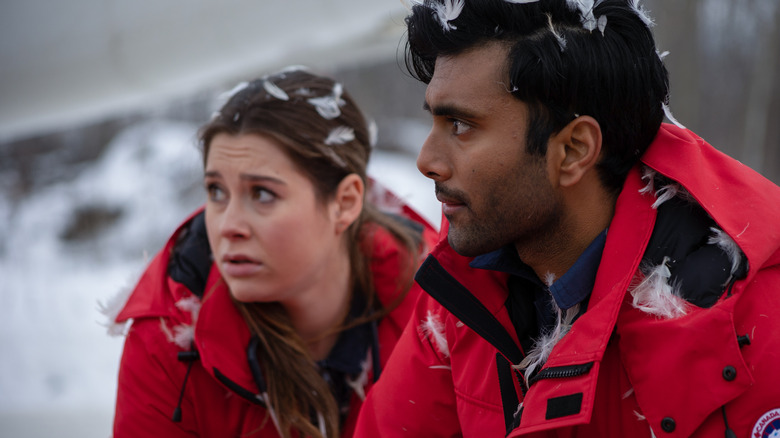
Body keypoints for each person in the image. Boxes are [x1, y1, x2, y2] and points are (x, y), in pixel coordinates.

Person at [354, 1, 780, 437]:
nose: (427, 160)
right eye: (435, 121)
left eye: (461, 125)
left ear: (574, 150)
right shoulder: (464, 292)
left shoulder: (756, 328)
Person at [107, 68, 437, 438]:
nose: (228, 224)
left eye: (262, 193)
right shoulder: (167, 338)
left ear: (345, 203)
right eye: (216, 191)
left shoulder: (443, 311)